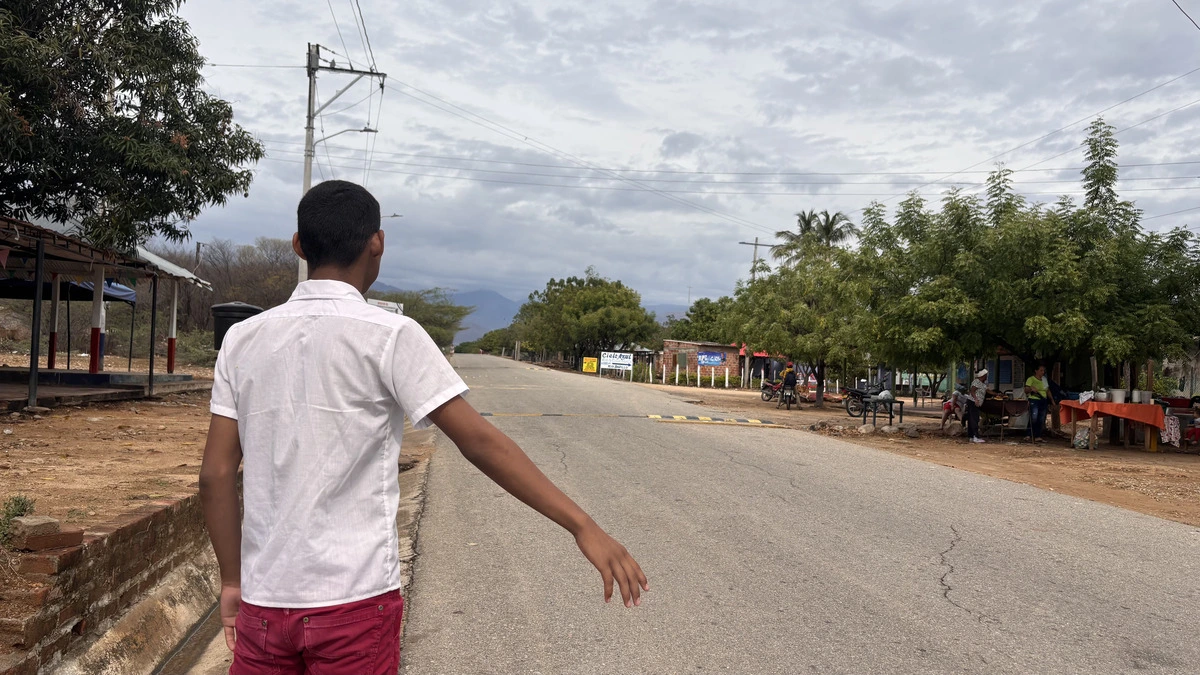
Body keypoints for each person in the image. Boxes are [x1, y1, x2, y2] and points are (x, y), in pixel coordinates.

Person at [199, 181, 647, 675]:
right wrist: (583, 525)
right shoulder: (391, 336)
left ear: (299, 246)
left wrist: (232, 581)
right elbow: (477, 441)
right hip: (355, 601)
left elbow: (217, 474)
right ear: (378, 243)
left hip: (265, 605)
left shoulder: (242, 340)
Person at [1024, 363, 1054, 443]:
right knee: (1033, 417)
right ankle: (1028, 434)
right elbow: (1026, 390)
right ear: (1036, 371)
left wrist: (1052, 400)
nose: (1042, 372)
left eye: (1043, 371)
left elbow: (1047, 390)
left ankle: (1038, 436)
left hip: (1043, 400)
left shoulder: (1044, 379)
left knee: (1041, 418)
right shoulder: (1031, 379)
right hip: (1034, 399)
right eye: (1041, 370)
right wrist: (1031, 389)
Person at [967, 368, 989, 444]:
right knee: (974, 419)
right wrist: (976, 399)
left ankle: (971, 436)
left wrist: (998, 394)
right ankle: (975, 436)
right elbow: (972, 390)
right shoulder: (976, 381)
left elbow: (988, 390)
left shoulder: (983, 384)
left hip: (976, 403)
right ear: (983, 376)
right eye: (986, 375)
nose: (987, 377)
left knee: (972, 418)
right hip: (973, 402)